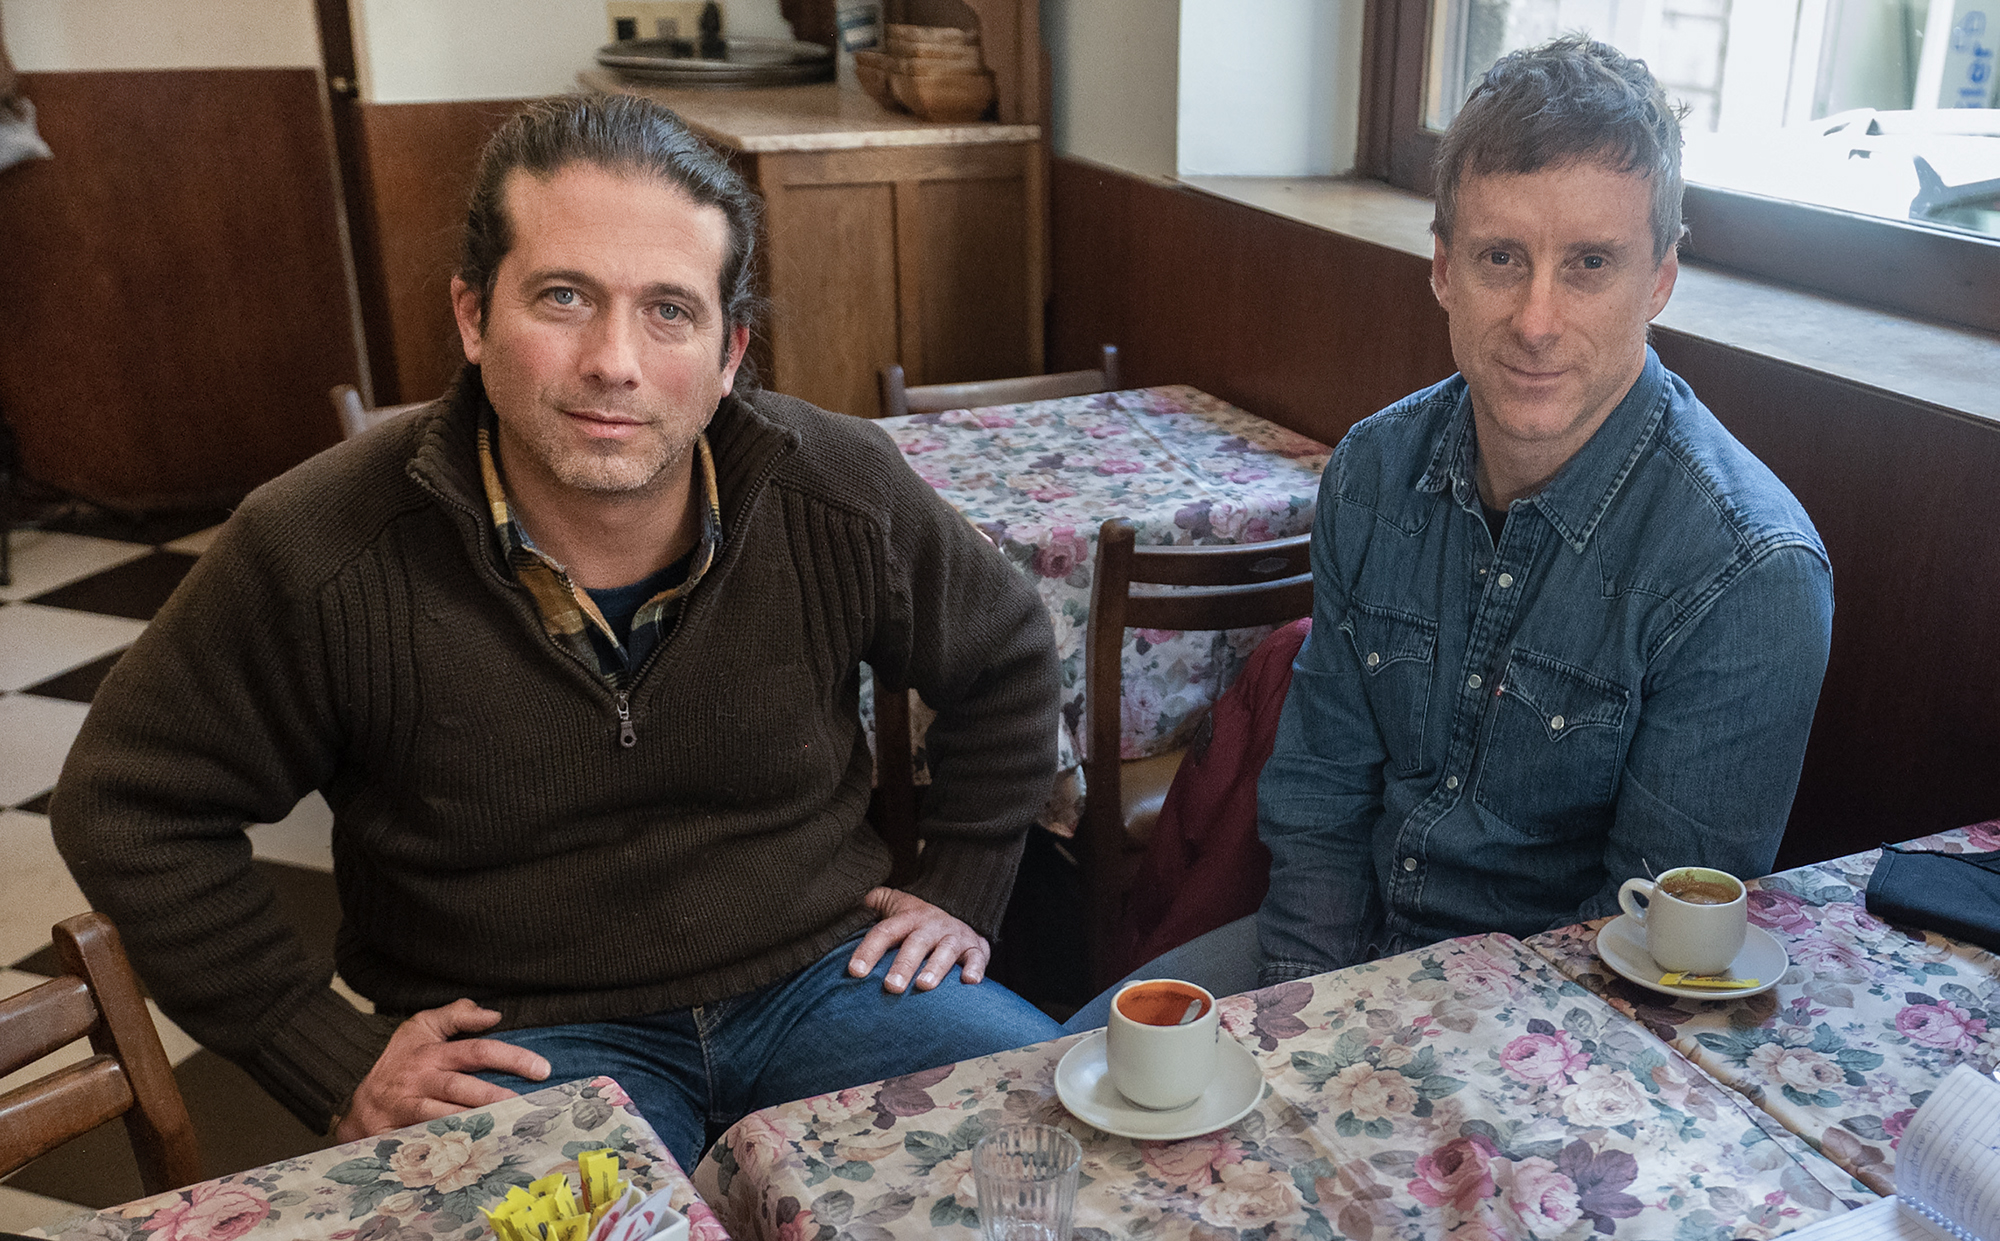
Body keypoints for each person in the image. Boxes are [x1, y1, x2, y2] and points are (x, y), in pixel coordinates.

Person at [52, 93, 1064, 1170]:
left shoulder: (838, 489)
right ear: (473, 315)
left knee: (1071, 1156)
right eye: (564, 296)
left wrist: (960, 882)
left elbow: (1006, 654)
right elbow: (128, 805)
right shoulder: (316, 545)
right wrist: (324, 1053)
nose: (613, 361)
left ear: (729, 352)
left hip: (829, 980)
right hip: (523, 1036)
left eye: (669, 310)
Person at [1068, 34, 1833, 1028]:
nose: (1535, 321)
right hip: (1344, 945)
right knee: (1065, 1070)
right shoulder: (1373, 470)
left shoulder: (1748, 570)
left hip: (1551, 1027)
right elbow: (1321, 796)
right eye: (1500, 258)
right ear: (1442, 267)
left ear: (1658, 279)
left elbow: (1648, 951)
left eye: (1589, 264)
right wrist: (1304, 1015)